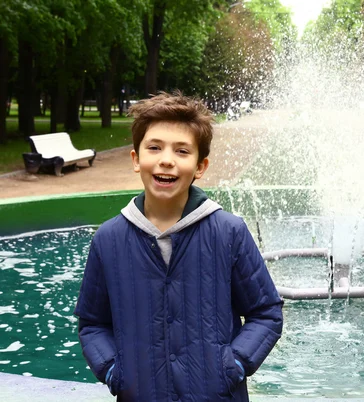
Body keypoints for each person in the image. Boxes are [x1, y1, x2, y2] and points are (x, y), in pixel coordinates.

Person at [74, 91, 284, 401]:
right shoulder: (109, 239)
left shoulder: (229, 233)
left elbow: (266, 312)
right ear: (136, 158)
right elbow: (92, 322)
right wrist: (112, 371)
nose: (167, 160)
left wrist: (234, 364)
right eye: (154, 147)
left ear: (200, 166)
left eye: (182, 151)